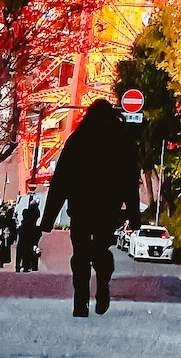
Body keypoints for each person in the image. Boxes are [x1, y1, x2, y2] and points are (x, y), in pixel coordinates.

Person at [41, 100, 141, 317]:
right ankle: (103, 282)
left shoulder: (78, 139)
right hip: (108, 208)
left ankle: (80, 300)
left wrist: (48, 219)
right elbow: (130, 180)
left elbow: (61, 180)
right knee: (101, 249)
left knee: (80, 254)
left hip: (81, 208)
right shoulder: (122, 140)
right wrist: (134, 215)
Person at [15, 198, 41, 272]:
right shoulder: (36, 212)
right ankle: (26, 267)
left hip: (23, 231)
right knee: (28, 250)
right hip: (31, 232)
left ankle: (17, 266)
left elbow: (24, 216)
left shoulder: (25, 211)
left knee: (20, 249)